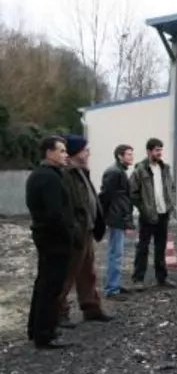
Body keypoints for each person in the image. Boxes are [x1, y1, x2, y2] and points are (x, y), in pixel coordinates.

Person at [57, 134, 112, 329]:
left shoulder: (81, 171)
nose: (88, 153)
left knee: (88, 273)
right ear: (76, 152)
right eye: (85, 149)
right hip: (76, 232)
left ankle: (91, 309)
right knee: (67, 274)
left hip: (86, 230)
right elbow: (69, 206)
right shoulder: (65, 174)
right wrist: (75, 228)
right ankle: (59, 313)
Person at [26, 136, 76, 349]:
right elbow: (55, 213)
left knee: (43, 284)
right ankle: (44, 334)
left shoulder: (41, 175)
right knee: (51, 286)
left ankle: (36, 328)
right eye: (62, 151)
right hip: (53, 239)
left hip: (46, 236)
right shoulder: (49, 178)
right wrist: (67, 235)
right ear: (49, 152)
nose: (66, 155)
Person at [130, 138, 177, 290]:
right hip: (147, 215)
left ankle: (162, 278)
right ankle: (138, 279)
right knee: (143, 247)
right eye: (157, 150)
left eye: (161, 150)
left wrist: (170, 204)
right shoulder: (140, 169)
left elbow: (172, 188)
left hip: (163, 214)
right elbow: (133, 192)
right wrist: (144, 209)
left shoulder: (165, 168)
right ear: (149, 151)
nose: (160, 153)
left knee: (161, 247)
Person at [99, 144, 135, 300]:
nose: (131, 157)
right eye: (128, 154)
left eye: (131, 154)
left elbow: (121, 199)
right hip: (116, 219)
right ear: (120, 156)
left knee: (117, 253)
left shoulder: (119, 171)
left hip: (117, 217)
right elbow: (107, 197)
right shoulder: (114, 172)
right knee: (115, 254)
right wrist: (121, 220)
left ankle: (115, 285)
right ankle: (111, 289)